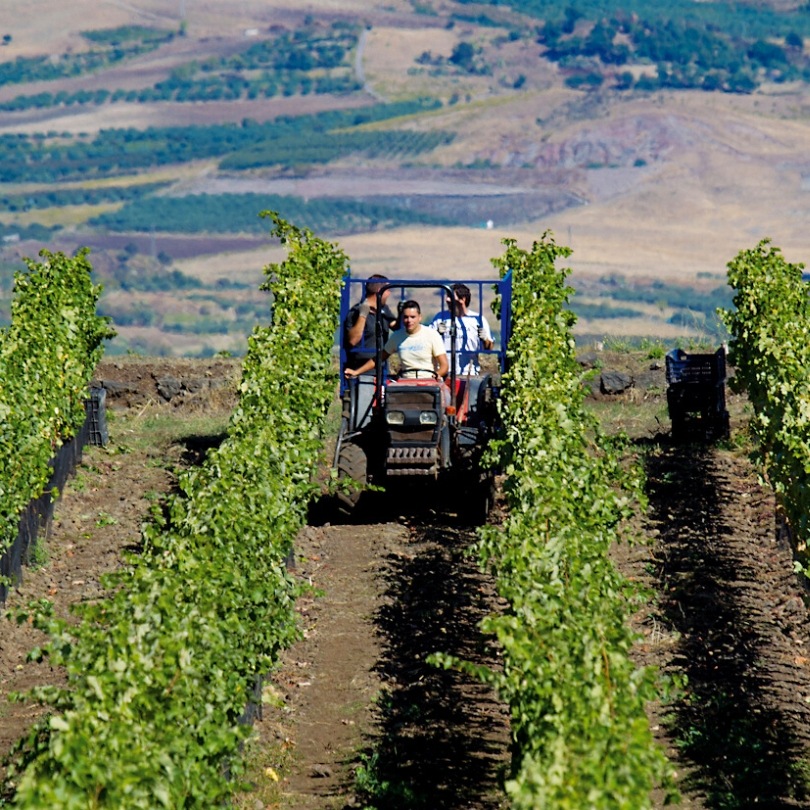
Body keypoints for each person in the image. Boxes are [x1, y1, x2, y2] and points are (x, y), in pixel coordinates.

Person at [344, 300, 449, 382]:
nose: (409, 321)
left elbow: (444, 365)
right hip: (405, 382)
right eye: (406, 317)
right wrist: (356, 372)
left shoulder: (431, 335)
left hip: (428, 382)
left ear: (419, 318)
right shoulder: (397, 336)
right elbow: (379, 359)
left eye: (413, 317)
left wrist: (434, 376)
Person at [429, 283, 494, 376]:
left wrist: (485, 339)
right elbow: (428, 343)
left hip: (468, 373)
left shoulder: (477, 319)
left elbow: (489, 349)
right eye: (447, 296)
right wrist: (437, 334)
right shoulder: (439, 318)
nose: (447, 300)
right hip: (444, 373)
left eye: (451, 296)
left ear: (463, 299)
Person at [344, 274, 399, 371]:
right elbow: (353, 340)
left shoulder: (384, 309)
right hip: (360, 368)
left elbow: (395, 326)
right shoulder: (356, 311)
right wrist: (363, 315)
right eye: (387, 290)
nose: (389, 293)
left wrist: (402, 314)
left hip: (381, 367)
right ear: (379, 291)